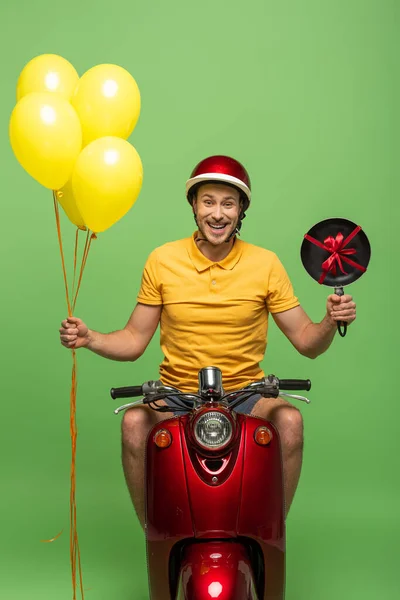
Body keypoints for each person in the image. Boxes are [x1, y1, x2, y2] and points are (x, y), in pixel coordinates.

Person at [59, 155, 356, 528]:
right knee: (133, 423)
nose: (218, 214)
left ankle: (270, 529)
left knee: (291, 421)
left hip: (246, 394)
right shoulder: (163, 260)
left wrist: (329, 320)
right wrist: (90, 339)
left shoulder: (265, 264)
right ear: (195, 207)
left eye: (228, 204)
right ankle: (156, 533)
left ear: (241, 210)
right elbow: (134, 340)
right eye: (208, 202)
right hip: (177, 395)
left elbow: (307, 342)